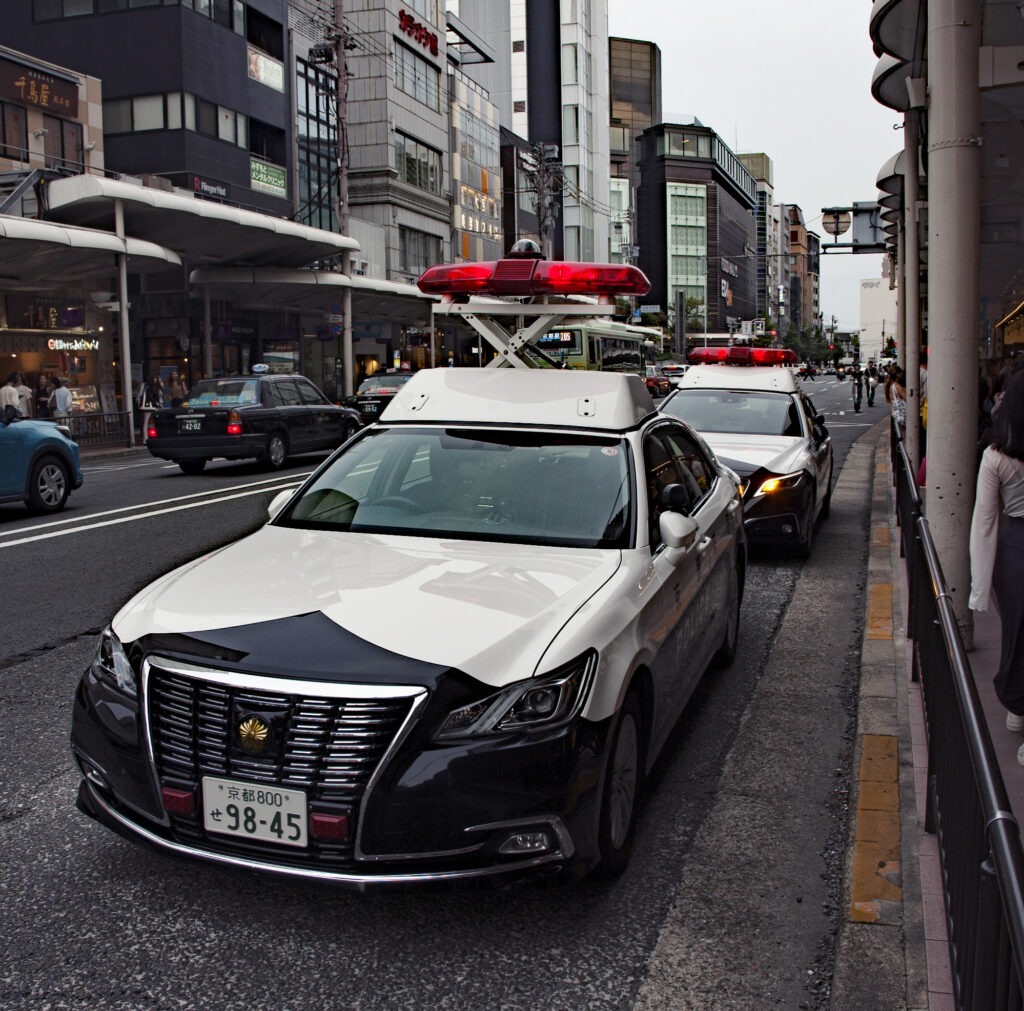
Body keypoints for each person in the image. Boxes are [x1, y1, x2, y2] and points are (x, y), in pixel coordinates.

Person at [969, 371, 1024, 762]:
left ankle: (1017, 705)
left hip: (1015, 548)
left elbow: (984, 521)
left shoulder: (996, 455)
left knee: (1016, 630)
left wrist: (978, 588)